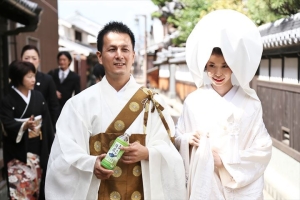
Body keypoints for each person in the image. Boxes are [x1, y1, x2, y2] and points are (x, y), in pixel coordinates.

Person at [45, 21, 186, 200]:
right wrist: (91, 163)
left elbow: (169, 150)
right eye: (112, 49)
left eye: (125, 50)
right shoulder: (79, 104)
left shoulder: (152, 103)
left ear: (133, 55)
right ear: (100, 56)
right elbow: (63, 154)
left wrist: (148, 153)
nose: (119, 55)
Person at [175, 10, 272, 199]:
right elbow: (177, 137)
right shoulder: (193, 101)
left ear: (233, 66)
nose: (218, 73)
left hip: (241, 188)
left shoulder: (250, 103)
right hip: (204, 183)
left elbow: (263, 149)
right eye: (211, 66)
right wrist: (186, 139)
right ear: (205, 66)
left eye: (225, 65)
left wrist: (224, 163)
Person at [0, 61, 54, 200]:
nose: (33, 80)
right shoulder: (7, 100)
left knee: (36, 190)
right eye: (29, 76)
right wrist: (24, 126)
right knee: (19, 193)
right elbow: (7, 124)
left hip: (37, 150)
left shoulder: (38, 97)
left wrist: (52, 146)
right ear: (18, 78)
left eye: (34, 76)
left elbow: (46, 124)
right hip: (16, 153)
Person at [21, 45, 60, 131]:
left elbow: (54, 107)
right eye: (26, 58)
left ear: (39, 61)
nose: (30, 61)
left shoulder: (47, 80)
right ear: (21, 60)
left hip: (43, 128)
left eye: (34, 58)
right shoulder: (16, 81)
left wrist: (54, 129)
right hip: (20, 130)